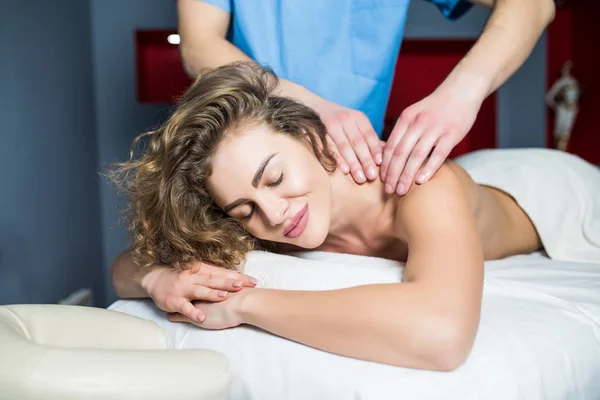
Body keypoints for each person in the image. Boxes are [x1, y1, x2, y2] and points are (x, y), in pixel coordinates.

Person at [109, 63, 600, 371]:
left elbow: (441, 336)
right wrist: (157, 278)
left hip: (553, 189)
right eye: (244, 209)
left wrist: (244, 306)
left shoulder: (421, 187)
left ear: (312, 137)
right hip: (477, 178)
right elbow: (125, 267)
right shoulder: (268, 216)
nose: (275, 215)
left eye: (275, 177)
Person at [176, 0, 556, 194]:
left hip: (351, 165)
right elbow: (199, 45)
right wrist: (312, 107)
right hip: (247, 152)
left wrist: (459, 95)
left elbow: (533, 4)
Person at [546, 60, 581, 151]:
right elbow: (550, 97)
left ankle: (563, 152)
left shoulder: (573, 82)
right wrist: (558, 105)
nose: (566, 70)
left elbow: (576, 96)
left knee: (566, 132)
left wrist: (573, 105)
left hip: (571, 109)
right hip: (562, 108)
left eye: (568, 68)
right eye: (565, 68)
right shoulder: (559, 83)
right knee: (559, 131)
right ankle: (558, 151)